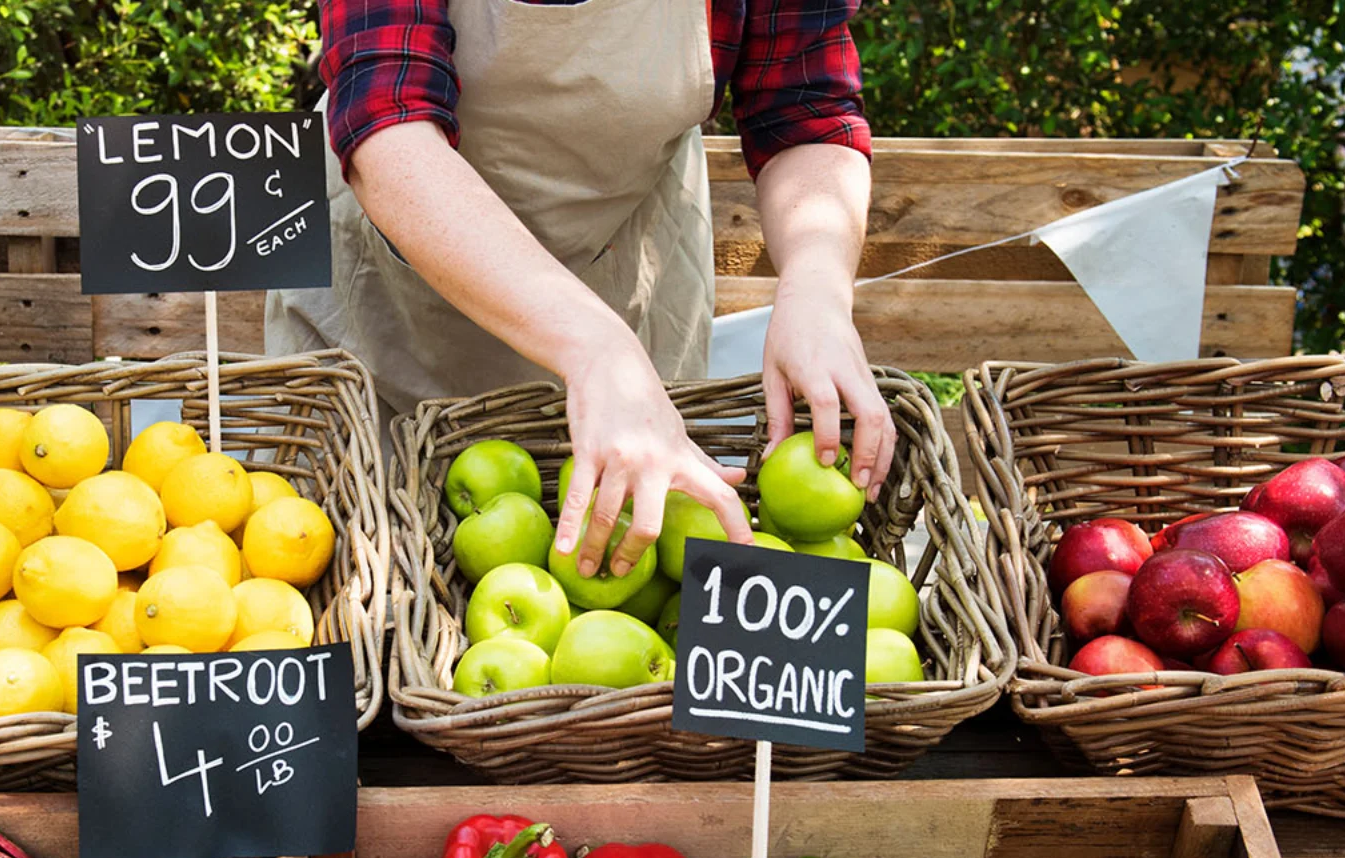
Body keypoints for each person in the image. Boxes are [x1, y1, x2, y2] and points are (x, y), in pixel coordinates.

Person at [264, 0, 888, 580]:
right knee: (364, 586)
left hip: (622, 265)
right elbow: (387, 116)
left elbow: (804, 113)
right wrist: (597, 350)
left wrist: (815, 293)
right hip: (394, 280)